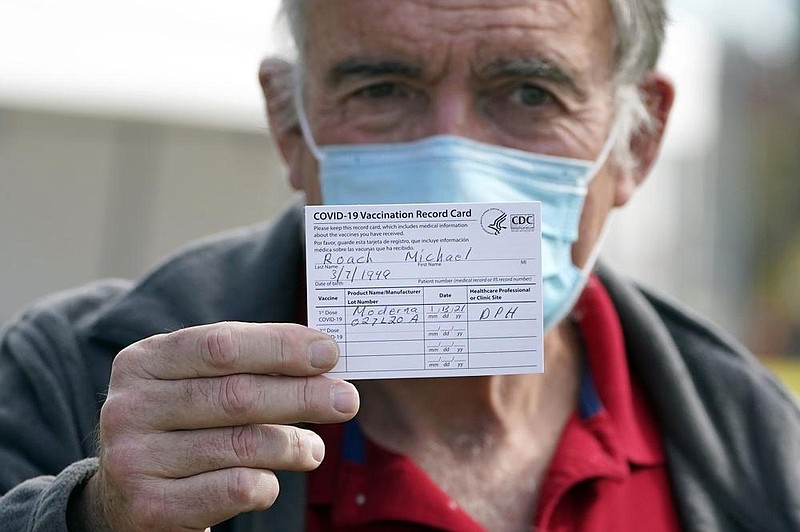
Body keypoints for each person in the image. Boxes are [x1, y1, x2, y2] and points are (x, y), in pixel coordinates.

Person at [2, 0, 799, 530]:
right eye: (384, 87)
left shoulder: (763, 447)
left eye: (527, 94)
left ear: (637, 140)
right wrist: (88, 516)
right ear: (290, 122)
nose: (452, 158)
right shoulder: (73, 377)